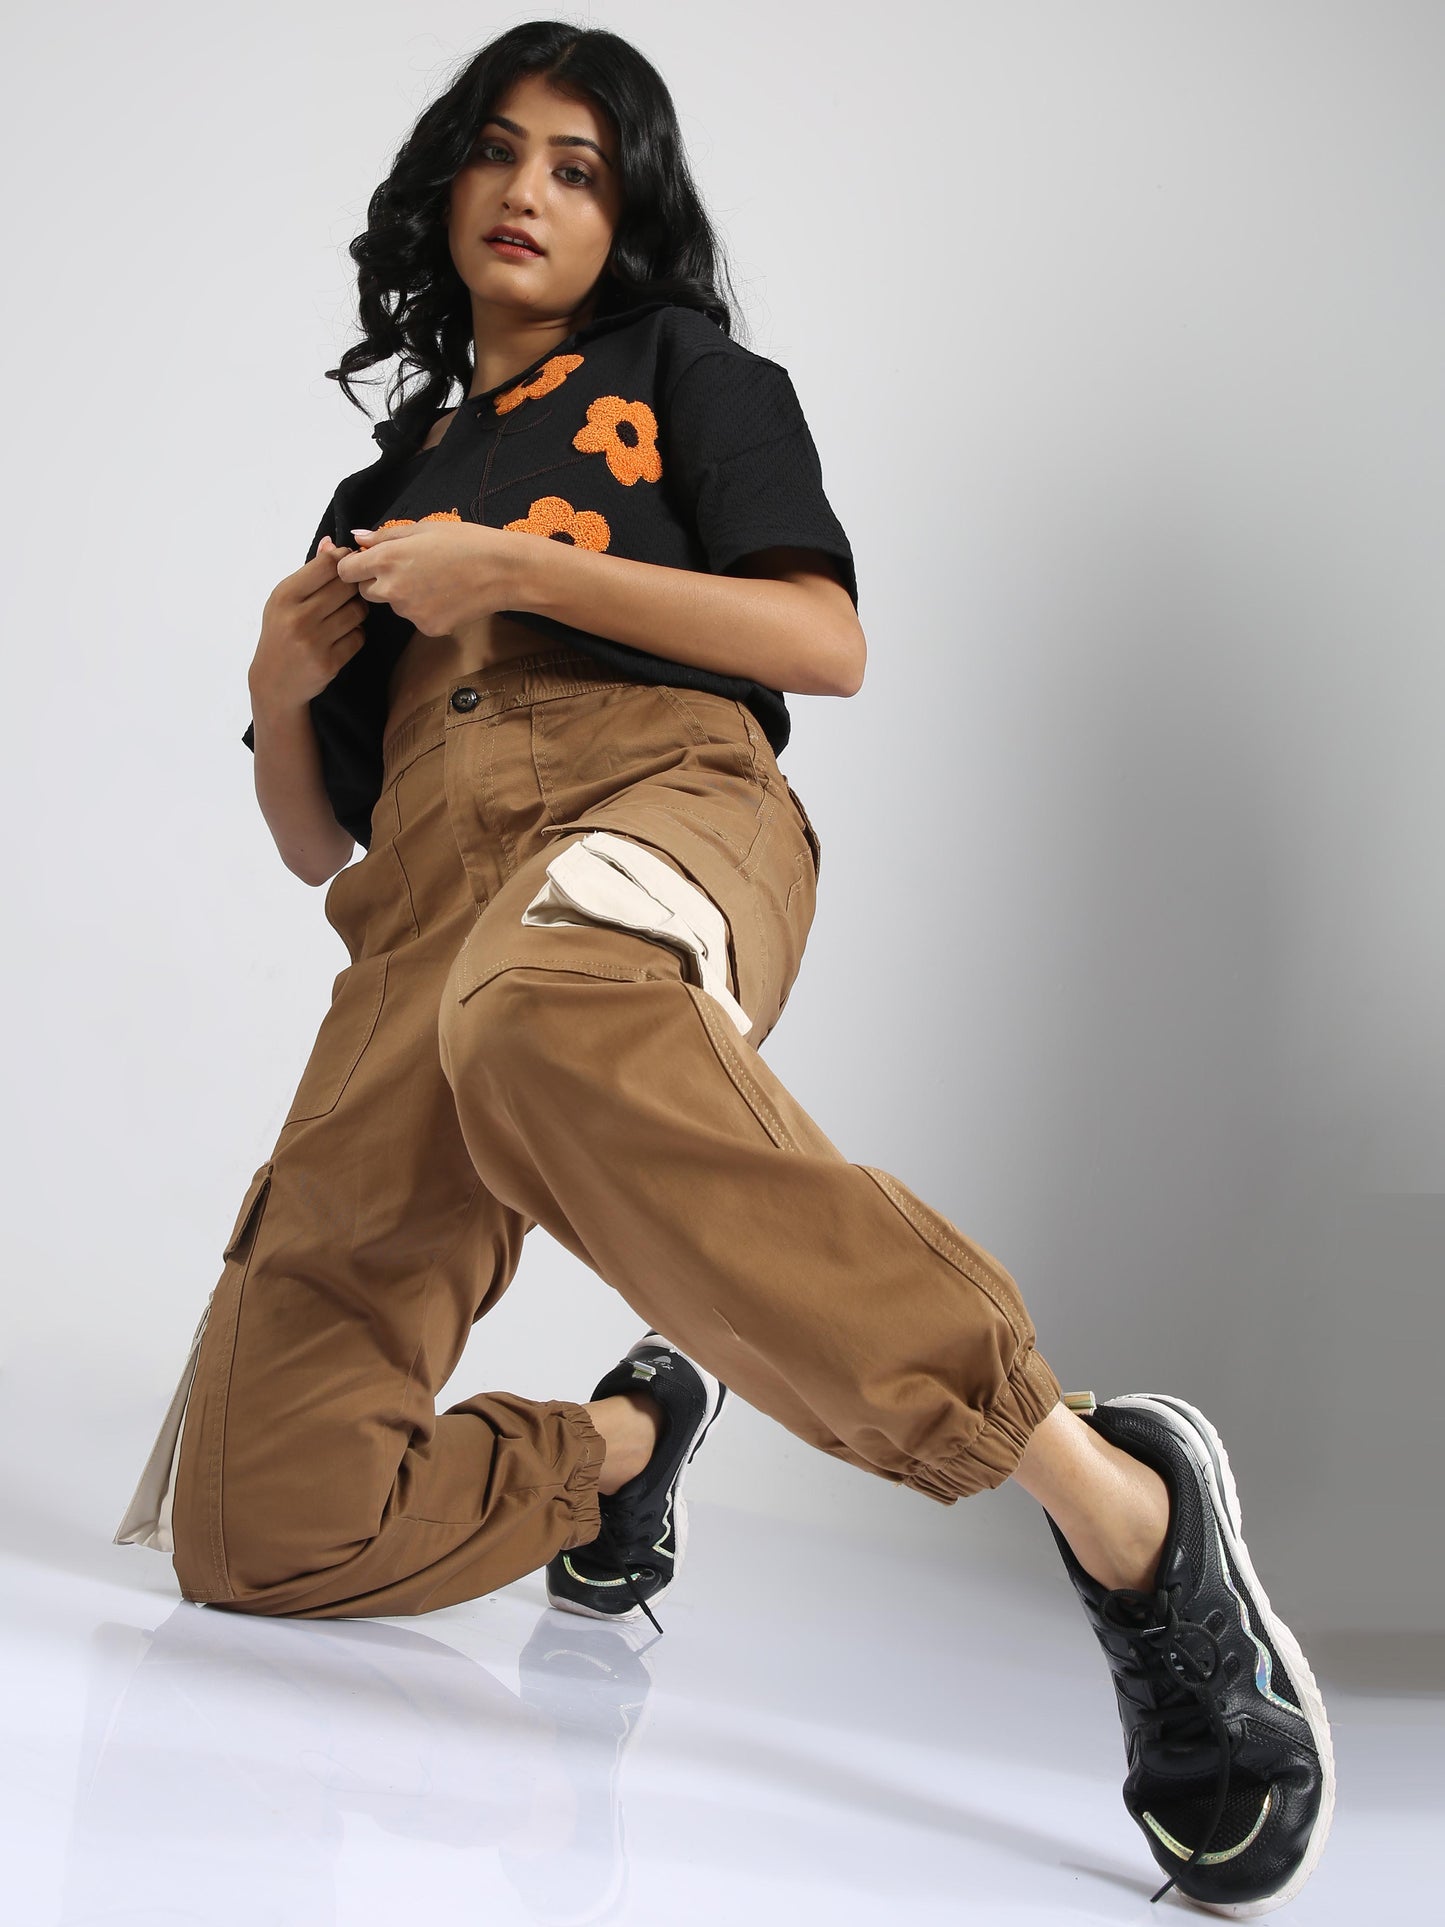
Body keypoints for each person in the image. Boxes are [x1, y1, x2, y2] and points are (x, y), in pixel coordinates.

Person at [112, 21, 1333, 1916]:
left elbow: (819, 642)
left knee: (542, 1018)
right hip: (415, 902)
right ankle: (620, 1451)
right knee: (256, 1529)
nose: (527, 192)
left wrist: (516, 569)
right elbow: (313, 842)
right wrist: (279, 690)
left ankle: (1115, 1502)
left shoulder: (690, 371)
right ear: (443, 185)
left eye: (579, 168)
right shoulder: (374, 495)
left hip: (652, 789)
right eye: (495, 151)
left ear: (630, 216)